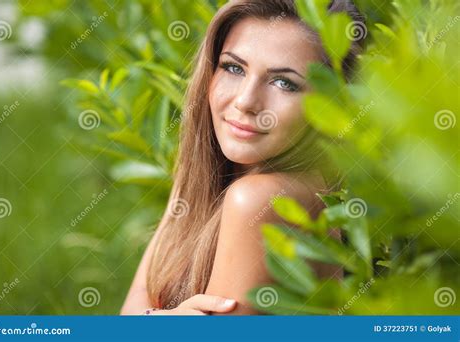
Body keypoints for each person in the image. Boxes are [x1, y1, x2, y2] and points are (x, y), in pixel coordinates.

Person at [121, 0, 363, 315]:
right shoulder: (209, 173)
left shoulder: (258, 200)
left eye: (284, 83)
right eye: (234, 67)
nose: (246, 101)